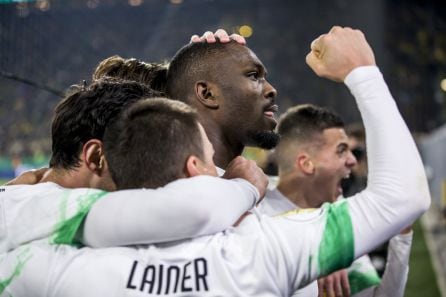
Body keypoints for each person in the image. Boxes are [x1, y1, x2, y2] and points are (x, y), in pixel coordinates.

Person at [0, 26, 430, 296]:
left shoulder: (49, 242)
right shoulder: (270, 241)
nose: (271, 89)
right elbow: (400, 198)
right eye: (253, 75)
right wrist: (361, 70)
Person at [0, 78, 266, 253]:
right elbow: (189, 211)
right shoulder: (44, 208)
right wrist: (244, 186)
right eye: (141, 148)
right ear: (96, 157)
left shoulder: (32, 198)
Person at [259, 104, 413, 296]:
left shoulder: (337, 214)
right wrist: (317, 261)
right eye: (341, 151)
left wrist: (402, 238)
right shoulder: (253, 214)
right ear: (306, 163)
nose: (352, 161)